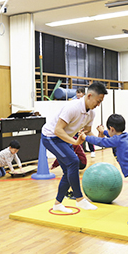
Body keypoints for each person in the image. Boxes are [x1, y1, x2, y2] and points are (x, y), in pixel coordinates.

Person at [41, 82, 108, 213]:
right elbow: (57, 130)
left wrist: (100, 140)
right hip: (50, 137)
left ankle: (57, 203)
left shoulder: (91, 113)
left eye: (101, 102)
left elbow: (87, 132)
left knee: (69, 170)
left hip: (63, 137)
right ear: (89, 96)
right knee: (73, 162)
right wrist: (75, 142)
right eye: (98, 101)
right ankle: (80, 199)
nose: (98, 104)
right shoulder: (73, 107)